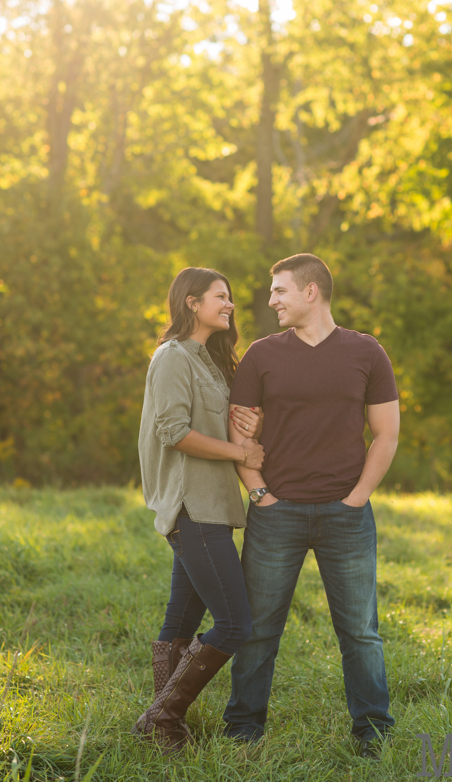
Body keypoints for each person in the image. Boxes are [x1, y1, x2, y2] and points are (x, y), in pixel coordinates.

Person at [223, 253, 400, 760]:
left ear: (310, 292)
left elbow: (386, 434)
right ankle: (243, 728)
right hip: (275, 514)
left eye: (279, 290)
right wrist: (260, 493)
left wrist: (357, 498)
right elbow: (239, 433)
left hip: (347, 515)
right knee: (258, 630)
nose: (271, 299)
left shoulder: (366, 353)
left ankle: (373, 733)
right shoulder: (261, 355)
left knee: (360, 631)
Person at [132, 267, 264, 752]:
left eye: (230, 298)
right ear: (191, 302)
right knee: (235, 623)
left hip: (211, 505)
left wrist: (248, 424)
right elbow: (174, 432)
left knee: (180, 622)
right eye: (220, 297)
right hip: (191, 506)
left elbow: (219, 422)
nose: (229, 305)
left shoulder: (208, 359)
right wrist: (241, 454)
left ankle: (164, 727)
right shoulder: (171, 357)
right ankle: (161, 714)